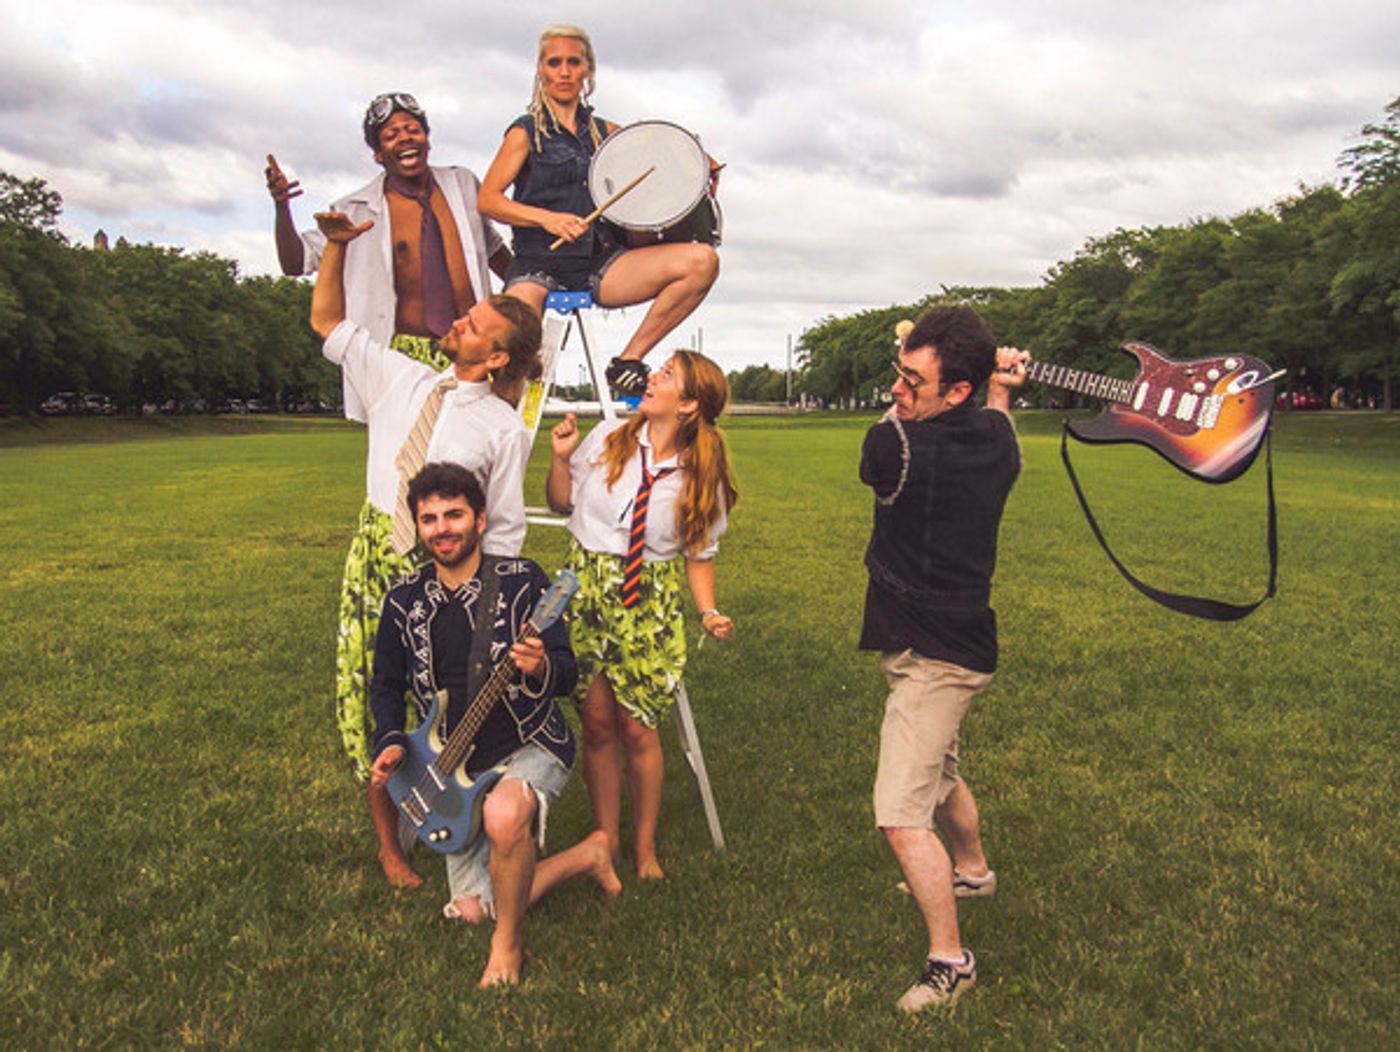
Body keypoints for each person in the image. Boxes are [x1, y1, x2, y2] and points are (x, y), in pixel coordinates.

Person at [309, 209, 542, 891]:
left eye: (474, 325)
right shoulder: (400, 376)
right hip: (377, 554)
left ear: (496, 358)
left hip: (448, 575)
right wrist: (334, 247)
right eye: (466, 315)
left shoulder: (502, 428)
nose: (459, 322)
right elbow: (328, 322)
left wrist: (491, 611)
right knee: (371, 689)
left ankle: (452, 819)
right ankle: (390, 846)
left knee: (445, 703)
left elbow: (504, 530)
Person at [370, 462, 622, 987]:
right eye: (430, 519)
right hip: (454, 760)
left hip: (527, 739)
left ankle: (507, 942)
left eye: (454, 515)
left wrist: (541, 666)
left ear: (480, 520)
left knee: (505, 816)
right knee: (470, 910)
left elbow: (565, 674)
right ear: (418, 527)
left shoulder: (523, 582)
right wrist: (392, 742)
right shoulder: (402, 602)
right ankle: (587, 855)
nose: (443, 528)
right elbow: (387, 687)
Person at [859, 305, 1029, 1013]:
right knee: (943, 772)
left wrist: (986, 382)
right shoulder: (997, 439)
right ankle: (973, 870)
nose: (896, 391)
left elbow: (886, 440)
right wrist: (1001, 388)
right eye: (898, 375)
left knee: (901, 812)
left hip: (936, 658)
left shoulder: (893, 445)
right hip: (955, 640)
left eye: (912, 381)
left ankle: (951, 961)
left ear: (957, 391)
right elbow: (997, 421)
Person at [545, 350, 737, 879]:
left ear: (689, 404)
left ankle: (645, 849)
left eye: (667, 375)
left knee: (638, 728)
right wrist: (560, 459)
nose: (652, 377)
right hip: (585, 593)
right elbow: (561, 503)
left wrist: (708, 611)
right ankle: (605, 840)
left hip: (646, 604)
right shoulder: (610, 436)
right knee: (597, 723)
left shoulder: (702, 475)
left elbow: (699, 556)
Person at [478, 23, 721, 396]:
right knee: (508, 351)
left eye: (574, 62)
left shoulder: (606, 133)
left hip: (600, 264)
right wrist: (548, 219)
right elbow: (488, 200)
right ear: (541, 71)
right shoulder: (524, 132)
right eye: (554, 62)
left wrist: (700, 163)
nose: (564, 72)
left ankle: (627, 362)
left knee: (702, 261)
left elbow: (663, 151)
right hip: (536, 264)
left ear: (588, 71)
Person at [265, 92, 513, 419]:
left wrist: (529, 304)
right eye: (391, 135)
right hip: (401, 353)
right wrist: (281, 207)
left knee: (478, 437)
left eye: (413, 129)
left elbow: (496, 253)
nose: (405, 138)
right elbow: (294, 263)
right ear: (379, 154)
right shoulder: (354, 209)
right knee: (407, 446)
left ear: (427, 139)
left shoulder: (463, 183)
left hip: (471, 349)